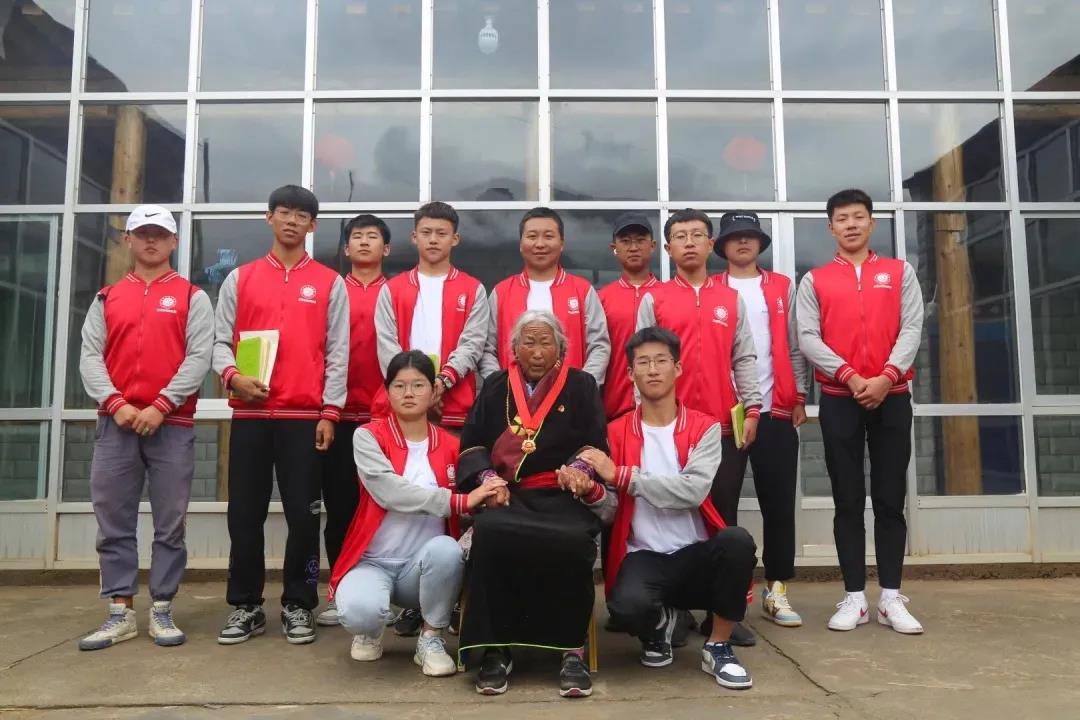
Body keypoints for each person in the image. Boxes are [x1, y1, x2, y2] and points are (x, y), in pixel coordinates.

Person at [579, 327, 757, 689]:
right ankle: (660, 625)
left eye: (661, 361)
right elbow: (611, 507)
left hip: (694, 552)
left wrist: (623, 476)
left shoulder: (705, 428)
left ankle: (718, 646)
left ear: (677, 368)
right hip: (643, 555)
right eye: (643, 363)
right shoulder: (614, 432)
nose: (652, 370)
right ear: (631, 373)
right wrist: (591, 492)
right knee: (625, 608)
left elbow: (692, 491)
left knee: (737, 542)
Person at [213, 185, 349, 645]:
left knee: (304, 517)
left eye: (301, 215)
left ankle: (299, 603)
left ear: (313, 225)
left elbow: (338, 352)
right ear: (268, 217)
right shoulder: (241, 279)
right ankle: (246, 605)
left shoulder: (329, 283)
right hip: (251, 417)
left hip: (304, 419)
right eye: (284, 212)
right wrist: (233, 376)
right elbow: (219, 342)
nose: (292, 221)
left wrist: (330, 412)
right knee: (244, 515)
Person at [76, 205, 214, 651]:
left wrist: (160, 405)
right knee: (113, 519)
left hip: (171, 425)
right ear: (129, 240)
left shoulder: (192, 297)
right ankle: (119, 612)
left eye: (159, 234)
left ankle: (162, 608)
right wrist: (116, 404)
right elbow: (90, 357)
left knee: (170, 522)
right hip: (115, 424)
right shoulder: (107, 298)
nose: (151, 241)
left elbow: (199, 357)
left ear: (174, 241)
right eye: (142, 233)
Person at [458, 310, 614, 698]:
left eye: (546, 342)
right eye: (529, 342)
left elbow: (595, 441)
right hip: (509, 495)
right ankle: (497, 649)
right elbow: (472, 445)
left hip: (562, 495)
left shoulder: (581, 385)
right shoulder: (496, 385)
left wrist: (579, 471)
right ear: (514, 348)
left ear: (561, 347)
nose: (538, 351)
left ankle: (571, 650)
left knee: (574, 539)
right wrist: (489, 479)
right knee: (490, 533)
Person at [796, 188, 925, 635]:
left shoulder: (899, 272)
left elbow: (912, 326)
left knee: (890, 499)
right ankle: (854, 597)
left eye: (858, 216)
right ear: (830, 227)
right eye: (842, 218)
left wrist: (887, 376)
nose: (850, 224)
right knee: (847, 500)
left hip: (892, 396)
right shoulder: (814, 280)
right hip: (839, 398)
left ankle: (890, 597)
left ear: (872, 223)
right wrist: (850, 376)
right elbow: (808, 337)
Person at [328, 351, 503, 677]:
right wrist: (459, 501)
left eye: (418, 385)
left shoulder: (452, 445)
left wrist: (490, 492)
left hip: (421, 570)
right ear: (387, 391)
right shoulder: (368, 436)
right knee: (360, 612)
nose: (408, 393)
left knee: (447, 549)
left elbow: (475, 497)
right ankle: (370, 630)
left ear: (434, 391)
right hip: (373, 563)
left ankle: (430, 638)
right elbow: (390, 493)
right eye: (399, 386)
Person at [636, 208, 761, 645]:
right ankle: (674, 608)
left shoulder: (731, 299)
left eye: (696, 235)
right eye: (680, 237)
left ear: (711, 244)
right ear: (668, 248)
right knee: (674, 516)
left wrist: (753, 409)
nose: (689, 243)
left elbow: (744, 357)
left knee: (723, 520)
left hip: (722, 428)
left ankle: (723, 614)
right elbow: (643, 362)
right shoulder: (655, 300)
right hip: (671, 429)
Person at [714, 211, 810, 628]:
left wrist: (799, 395)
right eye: (735, 236)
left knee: (779, 504)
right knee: (722, 505)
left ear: (760, 244)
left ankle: (777, 589)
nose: (743, 242)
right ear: (722, 245)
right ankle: (726, 595)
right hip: (725, 413)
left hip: (775, 408)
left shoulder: (781, 286)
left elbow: (794, 345)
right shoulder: (712, 288)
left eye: (750, 236)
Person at [317, 214, 391, 628]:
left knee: (386, 506)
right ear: (346, 248)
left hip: (386, 419)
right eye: (357, 237)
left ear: (387, 249)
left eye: (372, 237)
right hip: (339, 416)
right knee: (341, 506)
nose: (364, 242)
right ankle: (340, 589)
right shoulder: (332, 290)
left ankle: (392, 592)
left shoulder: (396, 293)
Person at [374, 201, 489, 430]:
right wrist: (414, 387)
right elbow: (386, 345)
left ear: (455, 239)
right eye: (426, 233)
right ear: (414, 237)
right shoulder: (392, 289)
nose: (433, 239)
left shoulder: (473, 289)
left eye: (441, 233)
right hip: (399, 407)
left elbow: (473, 345)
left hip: (454, 408)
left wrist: (442, 382)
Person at [480, 207, 610, 386]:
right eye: (532, 236)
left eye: (548, 236)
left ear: (561, 243)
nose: (540, 244)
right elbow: (487, 349)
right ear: (521, 244)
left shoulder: (582, 290)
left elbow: (599, 346)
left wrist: (583, 387)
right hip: (512, 396)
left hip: (570, 397)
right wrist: (501, 386)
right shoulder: (501, 292)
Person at [598, 212, 660, 421]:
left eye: (640, 240)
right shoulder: (600, 298)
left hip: (662, 409)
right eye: (625, 241)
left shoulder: (668, 296)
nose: (633, 247)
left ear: (652, 245)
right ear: (614, 248)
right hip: (613, 409)